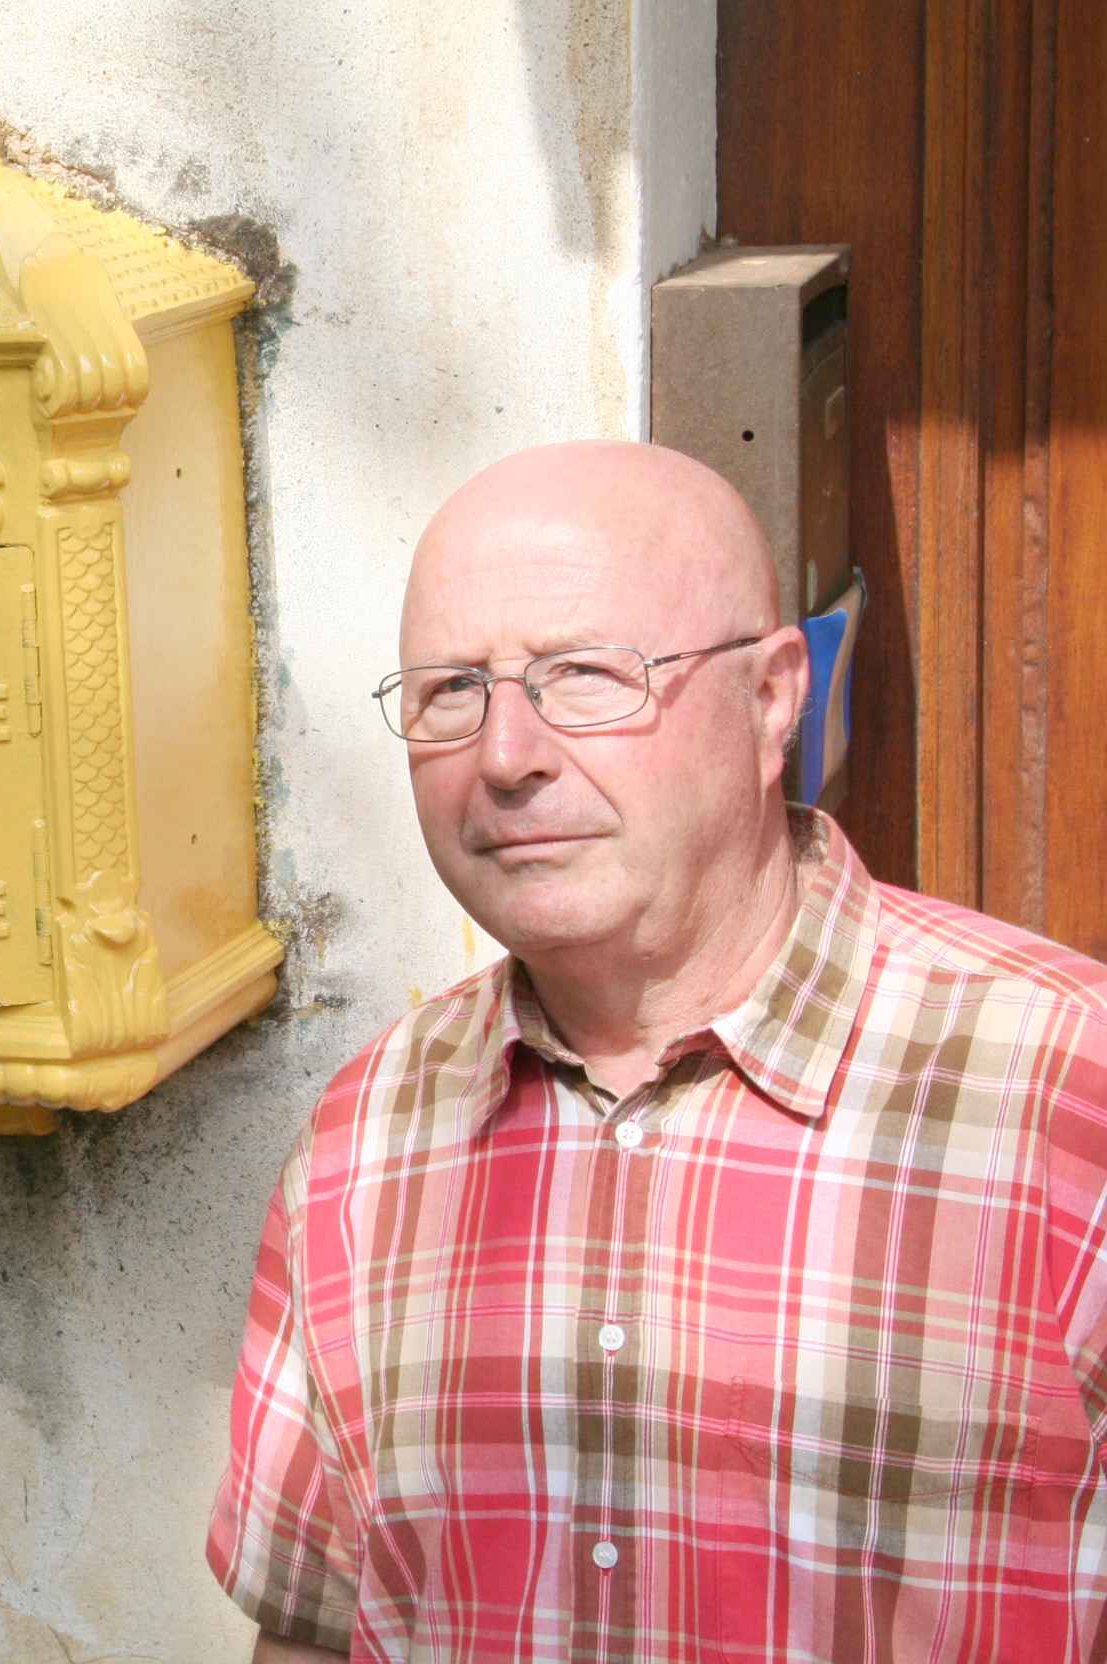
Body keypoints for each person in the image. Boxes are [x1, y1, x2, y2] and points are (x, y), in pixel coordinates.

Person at [207, 441, 1107, 1661]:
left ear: (774, 694)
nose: (508, 753)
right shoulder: (369, 1137)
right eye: (450, 691)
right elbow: (311, 1632)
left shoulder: (1062, 1095)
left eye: (587, 675)